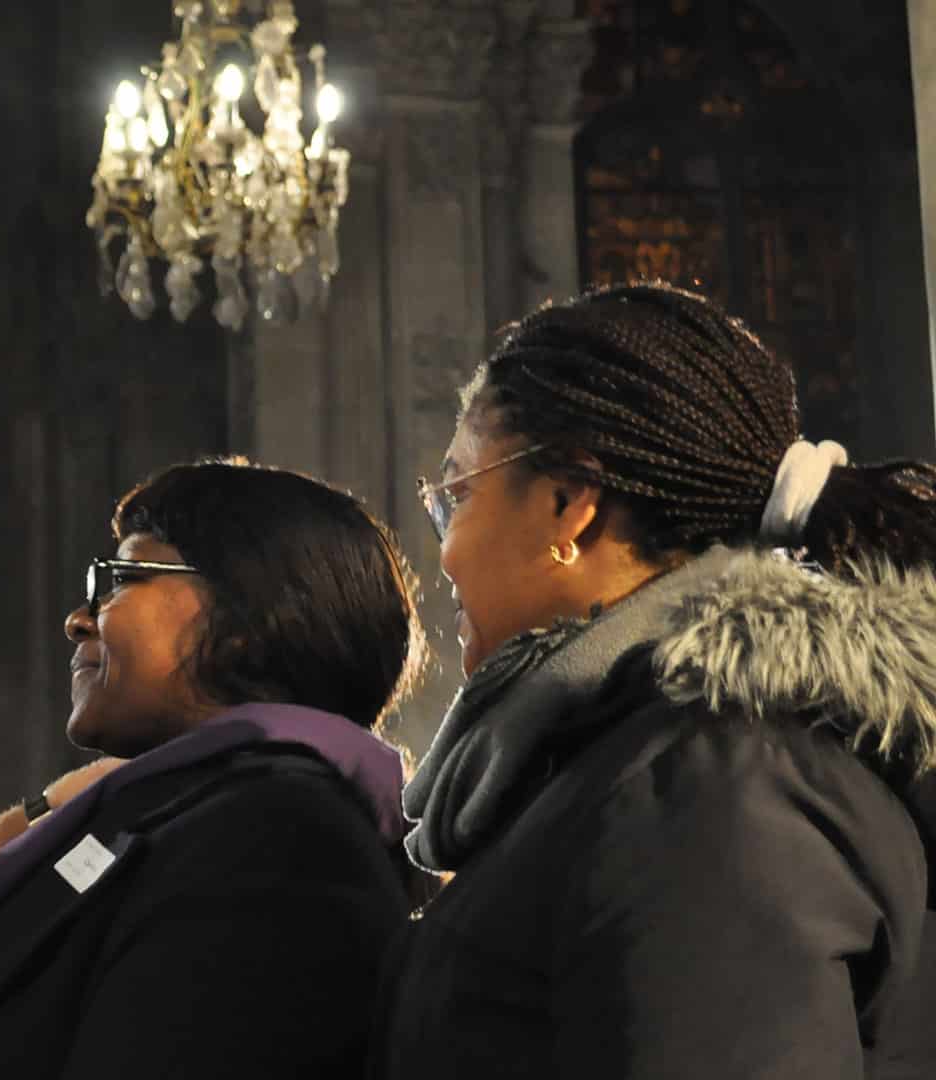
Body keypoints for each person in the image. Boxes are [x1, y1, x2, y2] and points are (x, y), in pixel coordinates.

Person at [375, 282, 936, 1079]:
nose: (445, 551)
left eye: (457, 495)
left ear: (569, 505)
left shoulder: (717, 789)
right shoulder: (635, 757)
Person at [0, 458, 433, 1080]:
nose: (79, 618)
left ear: (245, 620)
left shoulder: (281, 843)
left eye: (121, 578)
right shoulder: (187, 815)